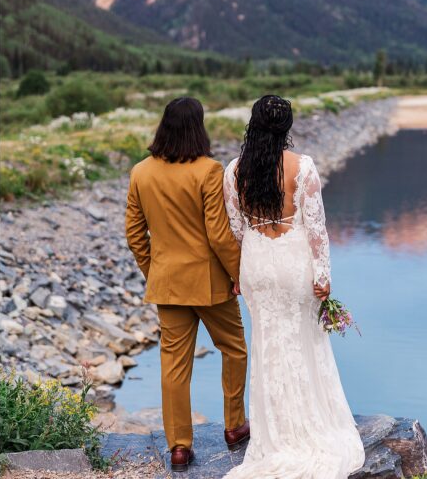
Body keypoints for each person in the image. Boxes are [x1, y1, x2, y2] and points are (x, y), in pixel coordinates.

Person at [222, 94, 364, 479]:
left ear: (252, 124)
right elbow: (317, 230)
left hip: (257, 266)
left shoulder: (234, 170)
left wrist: (238, 274)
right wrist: (323, 277)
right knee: (305, 341)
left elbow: (237, 229)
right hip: (293, 264)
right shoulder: (302, 168)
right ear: (286, 128)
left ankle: (274, 433)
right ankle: (309, 425)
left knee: (267, 343)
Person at [125, 96, 250, 472]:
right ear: (198, 127)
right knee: (235, 349)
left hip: (168, 283)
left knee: (174, 366)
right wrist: (238, 274)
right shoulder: (209, 171)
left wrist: (155, 270)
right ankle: (234, 426)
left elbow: (134, 234)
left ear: (163, 126)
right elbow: (218, 233)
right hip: (210, 284)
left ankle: (179, 447)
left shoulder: (141, 172)